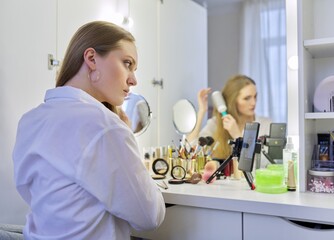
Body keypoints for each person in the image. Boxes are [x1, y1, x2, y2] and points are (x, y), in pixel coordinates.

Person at [12, 21, 165, 240]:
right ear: (91, 59)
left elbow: (32, 193)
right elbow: (150, 216)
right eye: (127, 63)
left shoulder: (30, 120)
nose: (133, 79)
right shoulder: (105, 127)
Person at [187, 74, 271, 161]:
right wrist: (201, 111)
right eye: (247, 98)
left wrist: (237, 136)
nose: (253, 102)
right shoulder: (217, 123)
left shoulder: (265, 125)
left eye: (255, 96)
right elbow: (190, 150)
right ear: (233, 100)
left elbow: (264, 164)